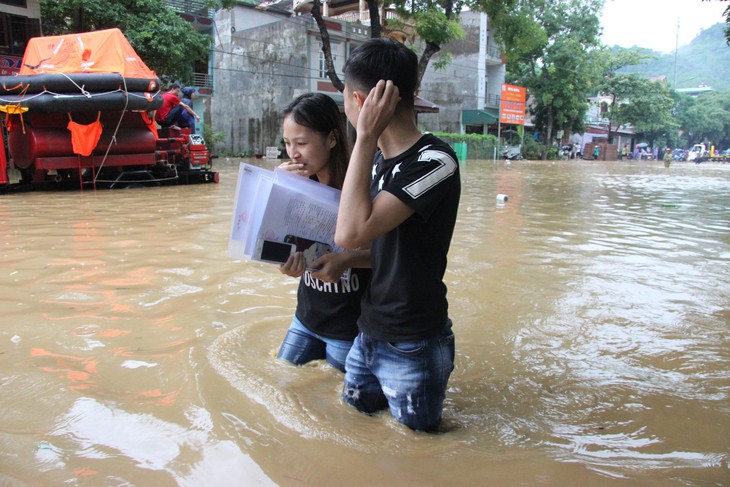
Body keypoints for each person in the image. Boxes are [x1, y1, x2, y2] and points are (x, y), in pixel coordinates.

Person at [335, 37, 460, 432]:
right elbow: (377, 247)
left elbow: (350, 231)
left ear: (360, 101)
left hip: (414, 343)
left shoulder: (434, 162)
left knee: (418, 452)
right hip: (368, 332)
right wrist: (343, 261)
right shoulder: (375, 161)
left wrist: (366, 135)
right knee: (355, 429)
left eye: (345, 100)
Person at [276, 92, 371, 373]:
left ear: (331, 138)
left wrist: (347, 260)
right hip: (305, 318)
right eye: (287, 143)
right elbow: (281, 243)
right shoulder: (295, 186)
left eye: (302, 143)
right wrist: (284, 264)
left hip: (347, 328)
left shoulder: (361, 189)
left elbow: (392, 253)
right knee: (282, 380)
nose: (293, 153)